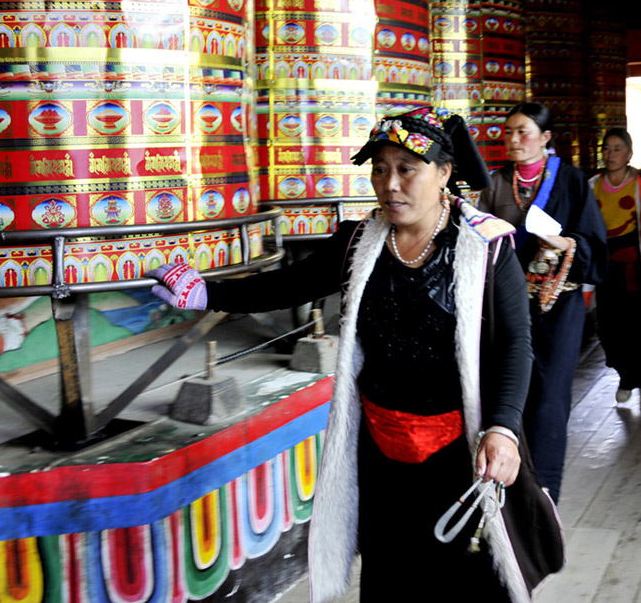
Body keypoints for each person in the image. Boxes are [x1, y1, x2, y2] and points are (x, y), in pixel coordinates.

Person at [148, 107, 536, 602]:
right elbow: (285, 285)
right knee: (386, 570)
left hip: (457, 450)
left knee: (455, 577)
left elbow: (515, 346)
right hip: (378, 445)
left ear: (444, 174)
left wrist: (502, 429)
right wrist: (208, 294)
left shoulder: (485, 247)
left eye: (406, 169)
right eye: (379, 169)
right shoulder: (359, 242)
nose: (389, 184)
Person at [477, 102, 607, 502]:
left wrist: (565, 242)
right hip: (509, 302)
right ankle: (506, 474)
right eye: (509, 132)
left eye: (523, 132)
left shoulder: (570, 181)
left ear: (546, 138)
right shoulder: (497, 183)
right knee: (510, 384)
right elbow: (479, 235)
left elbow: (593, 244)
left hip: (557, 303)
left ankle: (544, 489)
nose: (514, 140)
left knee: (550, 395)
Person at [589, 128, 641, 410]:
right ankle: (626, 377)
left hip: (640, 272)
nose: (610, 154)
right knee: (611, 331)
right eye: (606, 148)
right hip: (606, 273)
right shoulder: (592, 186)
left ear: (629, 154)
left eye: (617, 149)